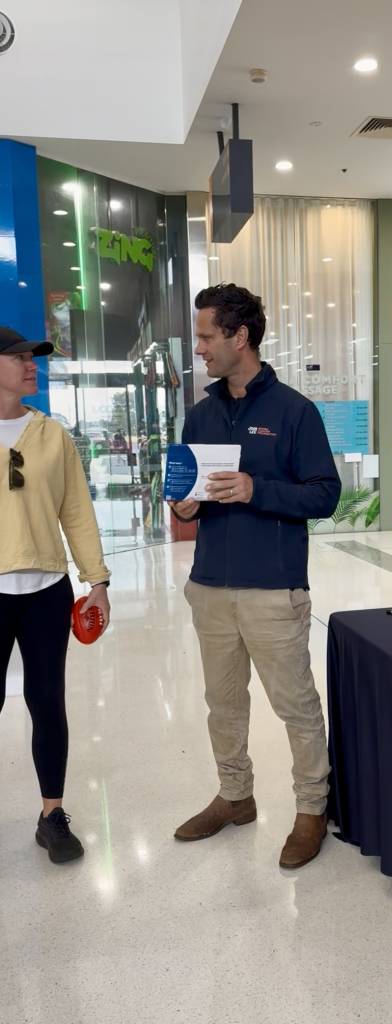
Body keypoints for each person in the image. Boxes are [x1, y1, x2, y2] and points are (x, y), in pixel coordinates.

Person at [169, 284, 341, 869]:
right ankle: (235, 796)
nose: (199, 348)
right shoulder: (201, 414)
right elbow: (188, 496)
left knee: (295, 706)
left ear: (240, 336)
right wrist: (184, 506)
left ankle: (312, 809)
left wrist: (255, 489)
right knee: (222, 704)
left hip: (273, 589)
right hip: (210, 588)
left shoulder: (294, 412)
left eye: (206, 336)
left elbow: (325, 495)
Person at [0, 326, 111, 865]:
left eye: (33, 358)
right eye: (19, 358)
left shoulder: (52, 435)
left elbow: (76, 511)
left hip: (46, 590)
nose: (31, 365)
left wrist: (97, 581)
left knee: (47, 701)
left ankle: (52, 815)